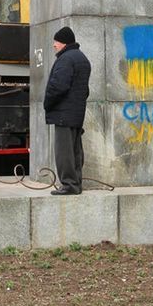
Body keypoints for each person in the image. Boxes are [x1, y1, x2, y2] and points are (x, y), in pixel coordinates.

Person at [43, 26, 91, 195]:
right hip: (76, 113)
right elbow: (85, 91)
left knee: (64, 152)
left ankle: (69, 185)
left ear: (63, 43)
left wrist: (47, 103)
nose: (54, 45)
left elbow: (58, 86)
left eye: (56, 41)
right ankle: (76, 183)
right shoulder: (82, 59)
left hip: (63, 113)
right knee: (75, 150)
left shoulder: (65, 59)